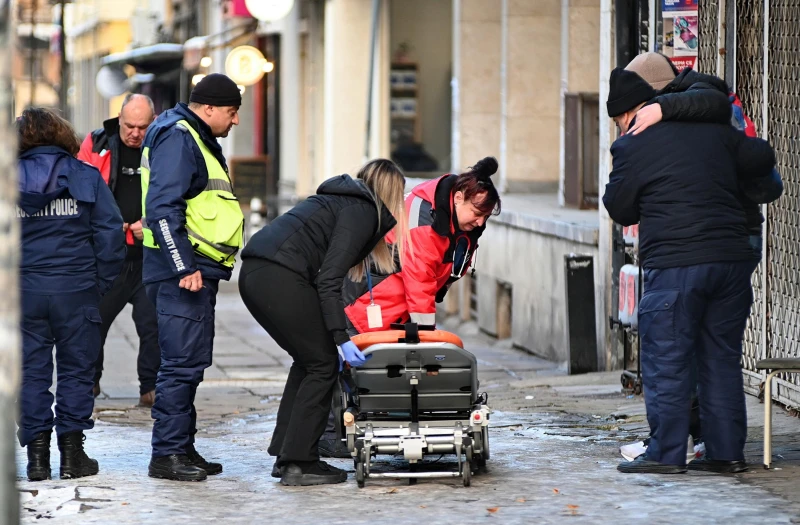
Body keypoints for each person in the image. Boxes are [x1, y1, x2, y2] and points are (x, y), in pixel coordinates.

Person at [603, 67, 777, 474]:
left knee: (668, 359)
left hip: (678, 265)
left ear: (626, 115)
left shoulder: (634, 143)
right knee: (720, 359)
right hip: (731, 262)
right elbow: (761, 155)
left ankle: (665, 453)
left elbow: (619, 206)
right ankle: (725, 453)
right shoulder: (716, 130)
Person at [314, 157, 502, 458]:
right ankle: (328, 437)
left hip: (387, 306)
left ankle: (355, 429)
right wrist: (428, 337)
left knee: (363, 369)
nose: (480, 222)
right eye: (477, 213)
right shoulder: (424, 223)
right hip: (363, 303)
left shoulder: (451, 218)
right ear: (457, 198)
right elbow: (419, 283)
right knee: (344, 370)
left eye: (486, 216)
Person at [238, 158, 407, 486]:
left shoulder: (343, 203)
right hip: (277, 275)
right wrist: (341, 337)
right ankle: (300, 462)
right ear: (391, 194)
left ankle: (287, 453)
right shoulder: (362, 212)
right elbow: (329, 279)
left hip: (258, 273)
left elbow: (321, 278)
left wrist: (335, 334)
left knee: (308, 361)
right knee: (323, 364)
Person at [141, 73, 244, 482]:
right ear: (209, 108)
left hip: (196, 269)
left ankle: (182, 447)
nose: (235, 121)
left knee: (192, 363)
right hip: (184, 273)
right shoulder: (180, 137)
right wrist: (183, 266)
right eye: (232, 112)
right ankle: (165, 455)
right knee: (180, 366)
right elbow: (163, 208)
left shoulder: (192, 136)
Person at [16, 108, 126, 481]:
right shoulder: (85, 175)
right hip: (76, 288)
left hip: (24, 290)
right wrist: (98, 285)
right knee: (77, 371)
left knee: (30, 373)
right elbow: (111, 238)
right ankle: (73, 455)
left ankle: (36, 459)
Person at [78, 93, 160, 407]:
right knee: (91, 323)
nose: (135, 133)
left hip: (148, 258)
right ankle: (89, 383)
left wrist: (149, 224)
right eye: (129, 125)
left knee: (153, 325)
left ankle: (150, 388)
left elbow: (176, 196)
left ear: (152, 122)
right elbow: (81, 195)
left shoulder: (163, 148)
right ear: (119, 118)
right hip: (106, 258)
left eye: (142, 126)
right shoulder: (96, 144)